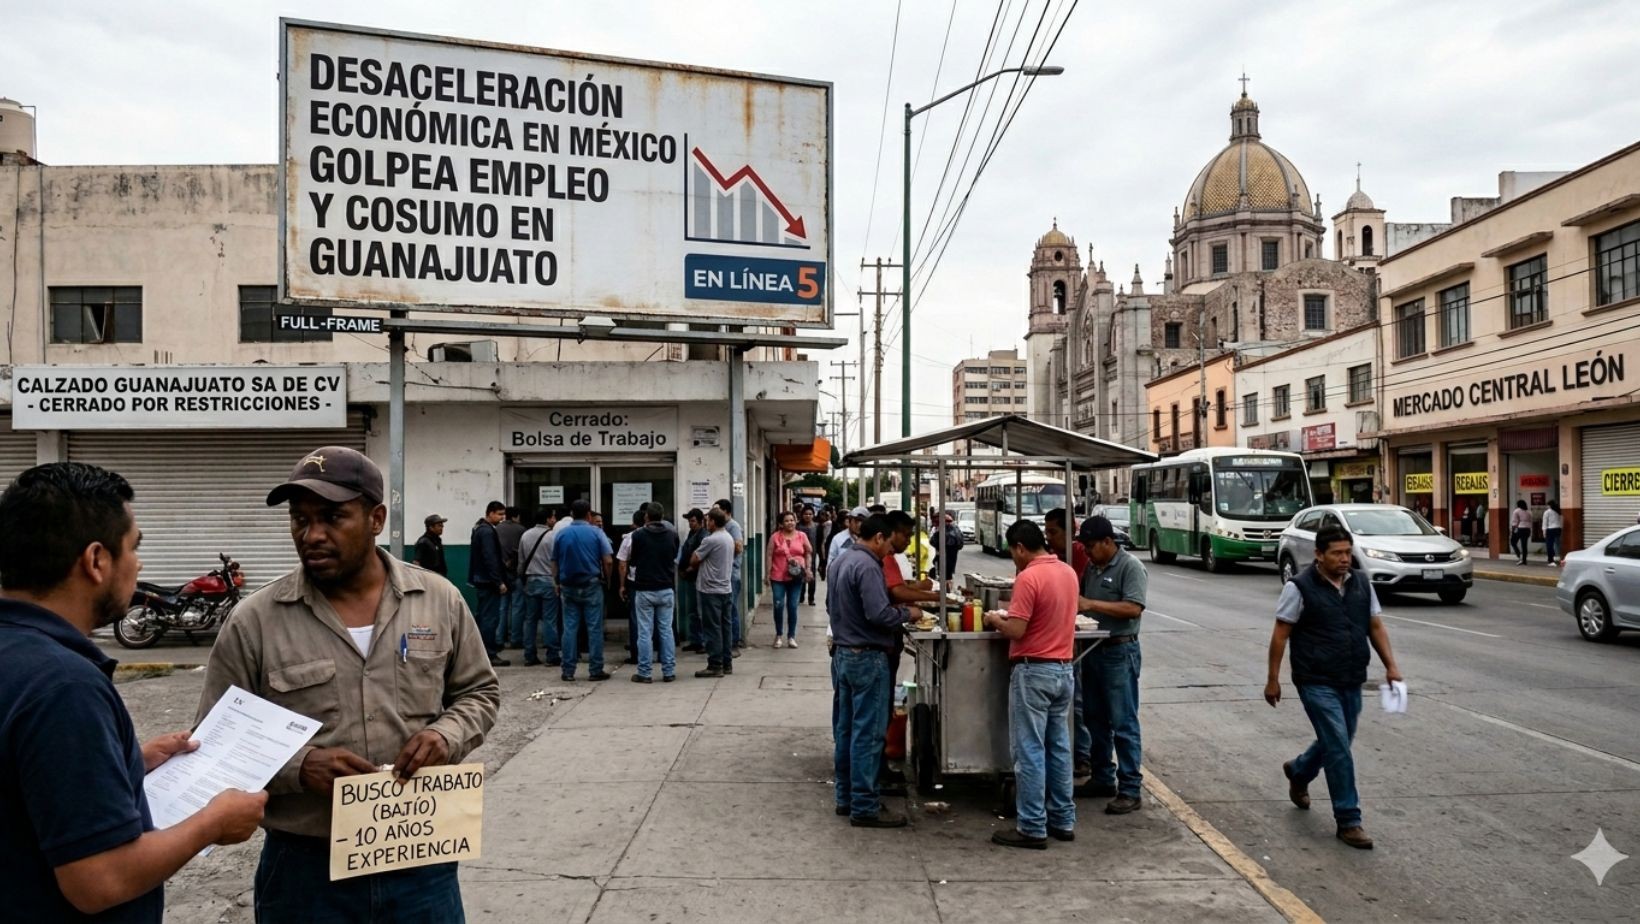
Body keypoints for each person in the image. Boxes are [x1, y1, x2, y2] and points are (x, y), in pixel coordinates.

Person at [201, 446, 500, 919]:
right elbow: (215, 743)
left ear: (376, 517)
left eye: (332, 517)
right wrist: (300, 767)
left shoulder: (438, 600)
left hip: (420, 861)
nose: (312, 534)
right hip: (304, 873)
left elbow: (479, 692)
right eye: (300, 519)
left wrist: (445, 735)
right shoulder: (254, 622)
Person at [0, 463, 266, 921]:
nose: (139, 564)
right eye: (134, 547)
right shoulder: (65, 686)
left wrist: (126, 763)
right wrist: (211, 823)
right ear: (96, 560)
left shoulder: (18, 655)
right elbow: (99, 879)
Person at [1264, 525, 1403, 851]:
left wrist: (1391, 666)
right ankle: (1349, 820)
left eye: (1347, 552)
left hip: (1351, 677)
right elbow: (1281, 634)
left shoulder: (1361, 584)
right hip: (1315, 680)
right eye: (1336, 553)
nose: (1344, 559)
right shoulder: (1299, 587)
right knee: (1338, 746)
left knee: (1337, 740)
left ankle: (1299, 771)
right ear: (1319, 555)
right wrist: (1273, 678)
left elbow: (1375, 626)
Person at [986, 520, 1079, 849]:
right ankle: (1063, 820)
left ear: (1021, 548)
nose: (1014, 559)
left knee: (1029, 751)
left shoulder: (1029, 577)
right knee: (1058, 748)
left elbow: (1016, 630)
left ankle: (1032, 826)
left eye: (1013, 553)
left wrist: (995, 619)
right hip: (1064, 670)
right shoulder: (1067, 572)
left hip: (1033, 672)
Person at [828, 513, 913, 828]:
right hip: (868, 656)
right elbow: (878, 614)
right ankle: (864, 805)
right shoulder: (867, 566)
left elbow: (831, 606)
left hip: (844, 654)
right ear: (879, 537)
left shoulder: (841, 561)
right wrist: (908, 613)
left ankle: (845, 797)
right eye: (889, 543)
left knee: (847, 730)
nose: (890, 550)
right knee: (868, 735)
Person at [1075, 514, 1149, 815]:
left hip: (1119, 651)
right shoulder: (1092, 568)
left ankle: (1130, 787)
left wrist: (1091, 604)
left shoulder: (1130, 567)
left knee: (1123, 722)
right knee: (1095, 719)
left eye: (1091, 547)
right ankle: (1103, 776)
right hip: (1092, 650)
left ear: (1108, 542)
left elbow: (1133, 608)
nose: (1088, 553)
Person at [1044, 507, 1093, 780]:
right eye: (1047, 532)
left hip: (1074, 639)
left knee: (1078, 702)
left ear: (1069, 531)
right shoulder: (1053, 558)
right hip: (1058, 641)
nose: (1049, 538)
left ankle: (1082, 755)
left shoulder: (1079, 557)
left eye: (1053, 532)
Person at [554, 499, 614, 681]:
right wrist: (607, 579)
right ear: (589, 515)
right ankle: (595, 670)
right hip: (591, 584)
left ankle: (568, 670)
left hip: (568, 586)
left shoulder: (561, 534)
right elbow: (609, 560)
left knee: (569, 628)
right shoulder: (596, 533)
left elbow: (554, 561)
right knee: (594, 629)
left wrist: (556, 582)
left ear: (572, 514)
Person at [627, 503, 680, 683]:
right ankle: (669, 671)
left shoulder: (639, 535)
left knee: (644, 632)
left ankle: (645, 672)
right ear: (662, 516)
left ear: (646, 517)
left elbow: (633, 560)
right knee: (666, 631)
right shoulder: (672, 535)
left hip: (644, 589)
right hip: (666, 588)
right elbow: (674, 555)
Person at [692, 508, 737, 677]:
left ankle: (715, 664)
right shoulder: (728, 537)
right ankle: (727, 663)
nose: (705, 523)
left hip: (710, 589)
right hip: (725, 588)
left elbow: (694, 559)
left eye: (707, 520)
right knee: (725, 627)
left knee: (712, 628)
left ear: (712, 521)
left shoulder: (710, 540)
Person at [468, 501, 510, 667]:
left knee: (483, 617)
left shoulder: (479, 528)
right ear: (490, 513)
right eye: (499, 514)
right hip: (488, 581)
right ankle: (489, 654)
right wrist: (498, 581)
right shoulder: (486, 532)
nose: (502, 518)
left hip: (481, 580)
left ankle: (479, 652)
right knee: (489, 619)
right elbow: (490, 557)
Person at [516, 507, 559, 667]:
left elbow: (521, 561)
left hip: (530, 580)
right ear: (548, 519)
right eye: (553, 517)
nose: (554, 520)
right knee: (550, 619)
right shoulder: (553, 536)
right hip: (549, 580)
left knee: (530, 619)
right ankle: (552, 655)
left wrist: (522, 576)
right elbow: (557, 560)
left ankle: (529, 655)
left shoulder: (525, 535)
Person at [768, 510, 813, 649]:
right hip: (778, 576)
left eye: (792, 520)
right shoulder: (775, 537)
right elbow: (769, 555)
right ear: (781, 524)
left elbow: (808, 553)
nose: (790, 523)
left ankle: (791, 636)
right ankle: (779, 634)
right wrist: (766, 574)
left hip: (796, 576)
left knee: (793, 606)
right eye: (787, 521)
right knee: (778, 604)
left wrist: (808, 568)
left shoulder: (802, 536)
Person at [714, 499, 747, 649]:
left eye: (718, 510)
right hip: (722, 574)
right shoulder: (720, 526)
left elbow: (739, 547)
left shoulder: (733, 526)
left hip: (731, 573)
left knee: (731, 607)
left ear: (726, 511)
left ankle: (734, 639)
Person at [677, 508, 708, 653]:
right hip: (689, 577)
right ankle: (695, 640)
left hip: (697, 577)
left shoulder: (703, 536)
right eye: (689, 521)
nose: (690, 524)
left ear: (701, 521)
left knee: (699, 611)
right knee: (692, 611)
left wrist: (688, 569)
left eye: (693, 521)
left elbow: (700, 558)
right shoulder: (692, 533)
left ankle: (702, 641)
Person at [495, 506, 525, 646]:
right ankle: (515, 638)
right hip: (516, 572)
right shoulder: (521, 530)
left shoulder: (497, 529)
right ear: (516, 516)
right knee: (517, 606)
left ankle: (499, 638)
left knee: (502, 607)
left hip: (501, 573)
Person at [798, 505, 823, 605]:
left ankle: (811, 598)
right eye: (805, 514)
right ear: (802, 515)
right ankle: (800, 596)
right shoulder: (798, 527)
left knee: (812, 578)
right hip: (799, 556)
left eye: (810, 514)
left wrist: (822, 557)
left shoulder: (817, 527)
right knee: (800, 577)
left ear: (813, 515)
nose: (808, 516)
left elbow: (820, 542)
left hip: (812, 557)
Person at [938, 511, 965, 592]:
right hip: (951, 554)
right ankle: (948, 587)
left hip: (948, 555)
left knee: (947, 573)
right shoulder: (955, 529)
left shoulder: (948, 532)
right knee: (948, 573)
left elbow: (935, 541)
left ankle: (947, 589)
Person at [1510, 499, 1533, 565]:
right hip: (1527, 529)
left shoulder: (1516, 511)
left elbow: (1514, 521)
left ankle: (1518, 553)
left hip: (1519, 528)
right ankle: (1524, 560)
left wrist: (1513, 529)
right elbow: (1531, 521)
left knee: (1513, 542)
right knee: (1524, 545)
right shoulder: (1529, 512)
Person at [1543, 500, 1563, 566]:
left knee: (1549, 545)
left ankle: (1551, 561)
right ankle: (1559, 558)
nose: (1547, 506)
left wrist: (1544, 531)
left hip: (1550, 529)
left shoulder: (1547, 512)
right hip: (1558, 529)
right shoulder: (1558, 511)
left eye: (1547, 505)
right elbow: (1561, 521)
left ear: (1549, 505)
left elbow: (1545, 522)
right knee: (1558, 544)